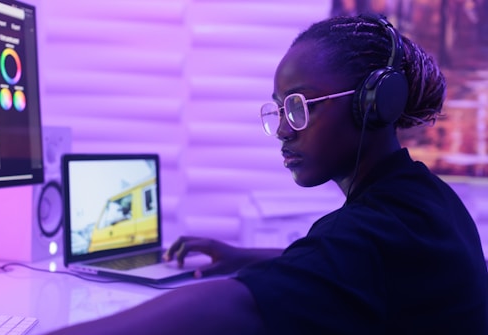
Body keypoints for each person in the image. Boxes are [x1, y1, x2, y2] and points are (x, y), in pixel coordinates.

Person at [48, 13, 488, 335]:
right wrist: (240, 256)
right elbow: (337, 265)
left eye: (298, 106)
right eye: (279, 109)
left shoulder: (378, 230)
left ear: (372, 104)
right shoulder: (422, 199)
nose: (281, 129)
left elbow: (235, 305)